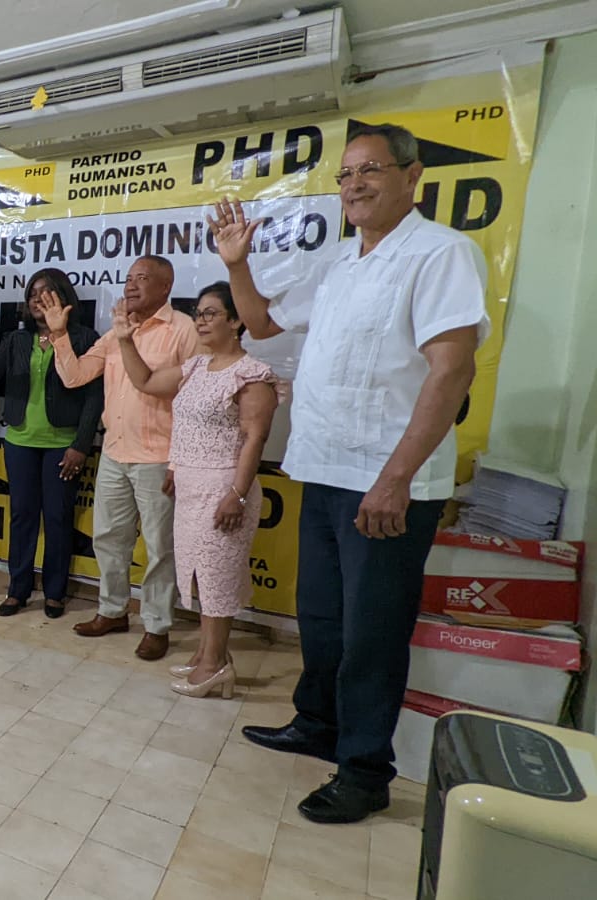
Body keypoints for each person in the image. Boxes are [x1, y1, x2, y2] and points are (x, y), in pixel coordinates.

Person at [213, 122, 488, 824]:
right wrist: (237, 264)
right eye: (345, 174)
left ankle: (365, 770)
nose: (354, 184)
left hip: (387, 484)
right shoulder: (339, 262)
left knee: (373, 632)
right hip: (325, 469)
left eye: (370, 170)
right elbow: (264, 327)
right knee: (325, 617)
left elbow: (452, 370)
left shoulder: (441, 253)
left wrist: (397, 477)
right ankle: (319, 724)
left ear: (412, 175)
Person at [112, 283, 279, 697]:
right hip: (188, 487)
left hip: (224, 488)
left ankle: (213, 664)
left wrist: (237, 495)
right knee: (201, 576)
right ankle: (211, 652)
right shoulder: (195, 367)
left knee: (218, 578)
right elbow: (147, 381)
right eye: (199, 313)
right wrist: (124, 340)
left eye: (211, 313)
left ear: (237, 320)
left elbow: (255, 438)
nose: (201, 321)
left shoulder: (251, 374)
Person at [46, 255, 198, 661]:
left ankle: (157, 625)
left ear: (166, 286)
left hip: (159, 457)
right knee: (109, 540)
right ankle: (112, 611)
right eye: (129, 279)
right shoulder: (117, 330)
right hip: (114, 453)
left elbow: (195, 401)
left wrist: (179, 460)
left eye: (142, 279)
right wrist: (60, 335)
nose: (131, 286)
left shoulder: (183, 330)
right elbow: (75, 376)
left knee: (159, 548)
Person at [0, 268, 104, 618]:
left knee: (57, 517)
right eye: (33, 295)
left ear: (63, 297)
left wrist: (81, 446)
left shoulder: (84, 338)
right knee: (22, 517)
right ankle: (17, 589)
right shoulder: (17, 341)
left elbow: (94, 399)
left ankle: (55, 593)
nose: (38, 300)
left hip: (63, 444)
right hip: (20, 441)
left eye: (47, 292)